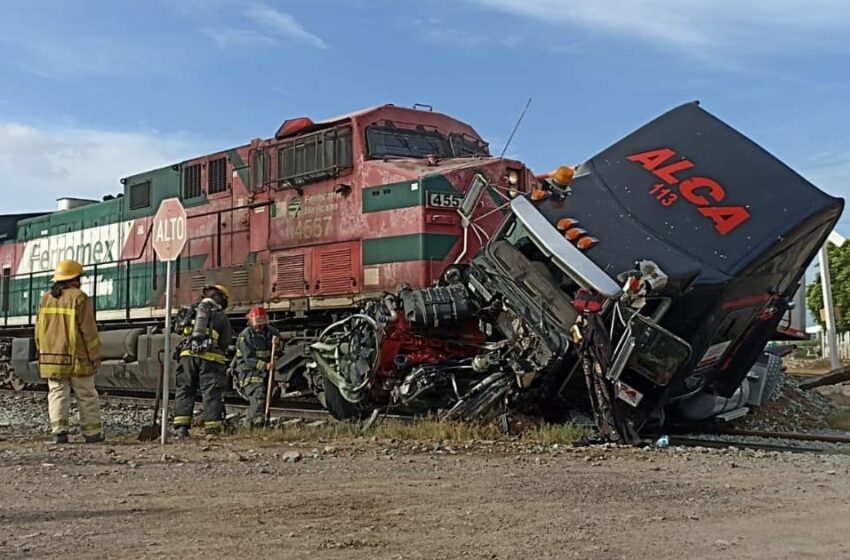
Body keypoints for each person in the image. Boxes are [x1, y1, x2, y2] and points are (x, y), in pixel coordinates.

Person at [35, 259, 103, 444]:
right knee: (86, 393)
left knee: (57, 392)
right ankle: (92, 433)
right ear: (74, 279)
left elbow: (38, 330)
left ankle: (59, 432)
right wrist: (95, 355)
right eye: (79, 277)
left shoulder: (45, 299)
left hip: (51, 358)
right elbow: (89, 331)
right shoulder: (79, 298)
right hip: (76, 358)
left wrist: (40, 350)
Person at [172, 284, 233, 439]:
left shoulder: (189, 312)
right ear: (220, 299)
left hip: (187, 356)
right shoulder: (220, 315)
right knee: (211, 392)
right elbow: (225, 341)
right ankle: (212, 430)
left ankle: (181, 429)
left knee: (185, 390)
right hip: (210, 359)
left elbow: (177, 328)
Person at [232, 306, 280, 428]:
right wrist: (265, 365)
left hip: (265, 371)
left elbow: (279, 349)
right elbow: (248, 359)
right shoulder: (245, 336)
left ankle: (249, 424)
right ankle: (258, 420)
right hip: (248, 371)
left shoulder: (272, 332)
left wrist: (278, 344)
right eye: (256, 323)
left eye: (261, 323)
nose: (259, 326)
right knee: (258, 393)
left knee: (269, 394)